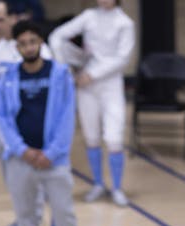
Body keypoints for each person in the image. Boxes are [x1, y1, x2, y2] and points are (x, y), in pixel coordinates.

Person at [0, 20, 85, 226]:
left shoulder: (60, 74)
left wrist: (52, 152)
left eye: (32, 42)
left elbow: (67, 116)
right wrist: (22, 150)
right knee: (26, 216)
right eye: (22, 44)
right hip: (21, 160)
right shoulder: (8, 79)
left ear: (40, 43)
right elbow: (2, 119)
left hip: (53, 160)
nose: (28, 47)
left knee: (64, 211)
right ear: (17, 47)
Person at [48, 0, 134, 207]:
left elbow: (123, 58)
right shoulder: (89, 16)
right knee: (91, 136)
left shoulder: (125, 23)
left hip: (110, 84)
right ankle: (97, 184)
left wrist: (93, 74)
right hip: (86, 85)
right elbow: (56, 36)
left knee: (114, 138)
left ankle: (117, 188)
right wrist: (66, 67)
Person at [0, 0, 49, 226]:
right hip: (5, 124)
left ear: (13, 19)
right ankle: (22, 219)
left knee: (33, 176)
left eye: (0, 20)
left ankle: (34, 225)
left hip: (30, 123)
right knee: (11, 177)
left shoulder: (37, 49)